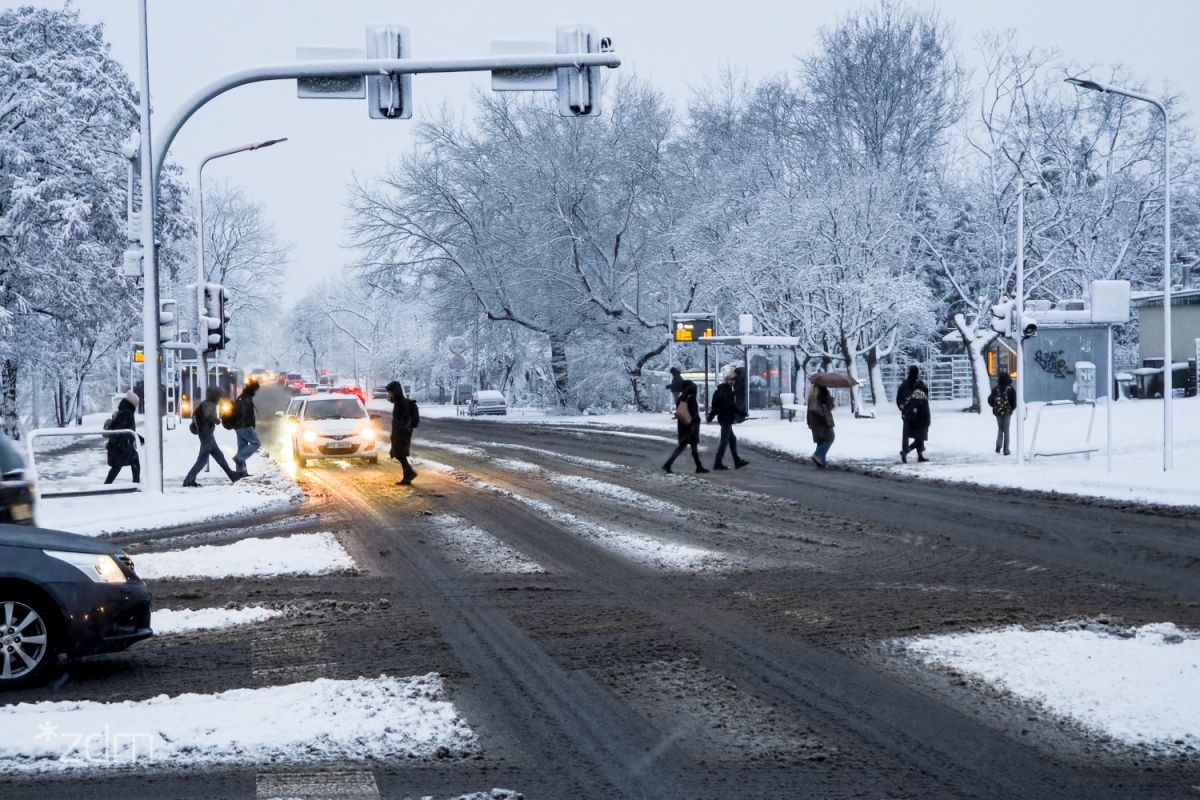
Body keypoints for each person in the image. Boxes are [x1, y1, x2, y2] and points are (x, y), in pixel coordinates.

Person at [183, 386, 242, 487]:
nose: (219, 398)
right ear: (215, 396)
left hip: (208, 435)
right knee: (202, 461)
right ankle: (188, 480)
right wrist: (218, 420)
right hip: (206, 436)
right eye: (218, 396)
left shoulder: (205, 403)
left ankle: (231, 474)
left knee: (220, 456)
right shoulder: (209, 404)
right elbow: (209, 416)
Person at [663, 380, 709, 474]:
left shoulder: (681, 398)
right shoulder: (691, 398)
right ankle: (668, 464)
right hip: (691, 426)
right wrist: (695, 424)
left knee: (686, 446)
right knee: (690, 446)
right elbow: (694, 413)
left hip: (682, 425)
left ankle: (698, 466)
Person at [707, 370, 749, 470]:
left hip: (724, 418)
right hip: (725, 418)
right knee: (724, 441)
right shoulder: (726, 390)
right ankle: (718, 463)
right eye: (733, 380)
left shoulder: (721, 390)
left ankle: (736, 461)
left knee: (732, 439)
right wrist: (742, 413)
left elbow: (716, 406)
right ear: (729, 381)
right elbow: (730, 405)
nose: (734, 382)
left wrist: (711, 416)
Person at [103, 390, 143, 484]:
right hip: (121, 446)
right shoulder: (127, 414)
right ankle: (136, 484)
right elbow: (126, 431)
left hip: (118, 445)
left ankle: (107, 484)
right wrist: (139, 439)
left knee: (119, 466)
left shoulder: (122, 412)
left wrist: (138, 438)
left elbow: (127, 430)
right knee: (132, 463)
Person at [896, 365, 931, 463]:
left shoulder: (904, 385)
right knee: (919, 435)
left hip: (909, 414)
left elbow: (899, 399)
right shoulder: (919, 384)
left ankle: (907, 451)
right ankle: (910, 452)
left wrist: (902, 407)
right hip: (919, 414)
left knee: (907, 435)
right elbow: (925, 397)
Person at [386, 380, 418, 485]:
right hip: (399, 434)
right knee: (398, 454)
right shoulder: (398, 403)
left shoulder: (402, 404)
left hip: (402, 434)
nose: (389, 395)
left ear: (395, 392)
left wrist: (401, 432)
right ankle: (408, 475)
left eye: (390, 392)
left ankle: (409, 474)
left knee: (399, 454)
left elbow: (404, 420)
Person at [232, 380, 262, 477]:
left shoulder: (243, 397)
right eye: (256, 389)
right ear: (252, 389)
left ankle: (241, 472)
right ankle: (239, 458)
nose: (256, 392)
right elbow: (245, 414)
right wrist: (249, 426)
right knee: (256, 443)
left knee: (242, 447)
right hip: (244, 426)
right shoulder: (246, 399)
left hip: (238, 426)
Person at [988, 371, 1018, 455]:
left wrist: (995, 406)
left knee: (1000, 429)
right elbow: (1014, 403)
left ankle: (998, 446)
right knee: (1006, 430)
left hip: (998, 412)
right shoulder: (1011, 389)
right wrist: (1011, 409)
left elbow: (990, 400)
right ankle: (1006, 449)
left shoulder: (995, 389)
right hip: (1007, 413)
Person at [806, 383, 836, 468]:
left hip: (813, 421)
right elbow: (829, 406)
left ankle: (821, 462)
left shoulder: (812, 393)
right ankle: (817, 455)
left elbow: (810, 408)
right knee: (830, 438)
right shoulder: (824, 392)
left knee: (821, 440)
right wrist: (831, 400)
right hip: (824, 420)